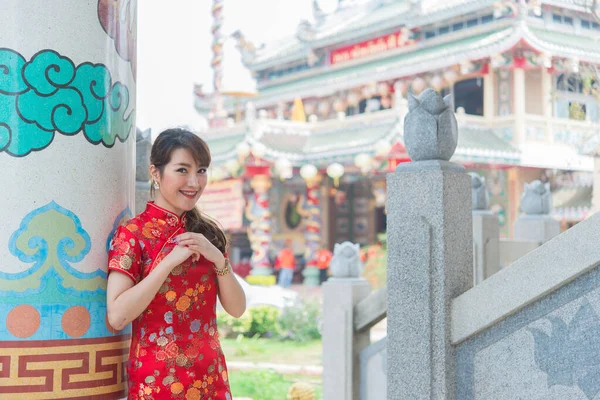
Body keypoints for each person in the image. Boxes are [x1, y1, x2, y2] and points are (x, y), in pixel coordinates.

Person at [106, 128, 246, 400]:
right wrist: (168, 262)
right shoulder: (132, 234)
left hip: (210, 375)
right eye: (182, 170)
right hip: (157, 380)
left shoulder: (207, 235)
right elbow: (117, 315)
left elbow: (238, 309)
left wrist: (218, 258)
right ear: (156, 174)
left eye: (201, 170)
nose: (194, 182)